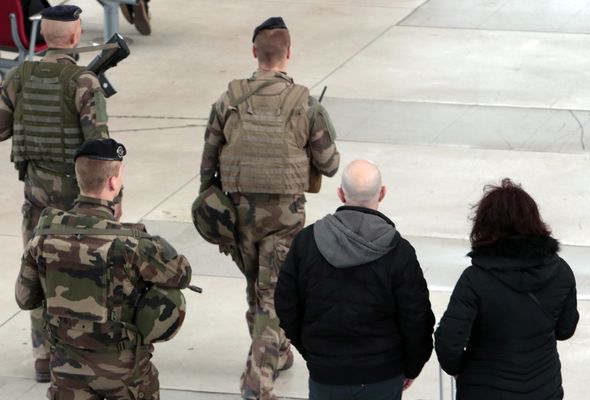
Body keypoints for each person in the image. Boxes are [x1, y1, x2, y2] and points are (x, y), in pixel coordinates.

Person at [198, 16, 340, 400]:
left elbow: (208, 160)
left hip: (239, 211)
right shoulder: (304, 103)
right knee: (272, 296)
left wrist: (213, 207)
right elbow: (330, 164)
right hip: (285, 216)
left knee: (257, 287)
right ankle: (257, 383)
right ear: (289, 54)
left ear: (254, 53)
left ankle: (276, 352)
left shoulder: (229, 98)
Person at [15, 138, 192, 400]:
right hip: (123, 375)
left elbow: (25, 298)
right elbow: (182, 274)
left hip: (67, 373)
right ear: (113, 182)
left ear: (79, 180)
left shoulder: (43, 237)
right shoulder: (133, 244)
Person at [0, 4, 110, 382]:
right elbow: (99, 148)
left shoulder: (19, 75)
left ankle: (44, 357)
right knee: (84, 274)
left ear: (43, 35)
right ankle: (80, 354)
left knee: (39, 269)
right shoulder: (84, 82)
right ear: (77, 35)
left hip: (36, 198)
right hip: (79, 200)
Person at [275, 159, 435, 400]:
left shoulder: (306, 242)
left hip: (326, 374)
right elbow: (417, 318)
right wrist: (412, 366)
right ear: (382, 193)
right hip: (383, 374)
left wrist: (313, 352)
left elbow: (286, 305)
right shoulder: (399, 252)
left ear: (340, 194)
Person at [435, 178, 579, 400]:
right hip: (543, 388)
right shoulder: (561, 271)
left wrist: (464, 370)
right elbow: (565, 330)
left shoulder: (475, 279)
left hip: (484, 390)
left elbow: (448, 341)